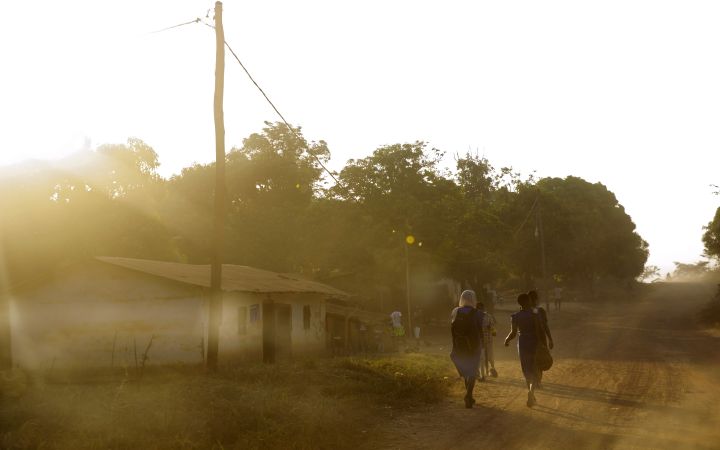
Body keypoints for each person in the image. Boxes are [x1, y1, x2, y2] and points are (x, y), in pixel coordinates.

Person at [450, 290, 485, 408]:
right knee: (473, 372)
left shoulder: (455, 311)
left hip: (459, 346)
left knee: (466, 371)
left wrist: (455, 345)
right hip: (474, 346)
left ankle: (469, 395)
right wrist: (483, 344)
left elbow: (452, 330)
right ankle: (469, 395)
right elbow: (480, 331)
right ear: (473, 299)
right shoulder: (478, 313)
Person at [504, 293, 540, 407]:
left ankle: (530, 393)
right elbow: (539, 330)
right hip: (534, 343)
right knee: (534, 369)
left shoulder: (515, 316)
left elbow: (513, 333)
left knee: (526, 370)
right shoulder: (534, 314)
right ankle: (531, 392)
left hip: (523, 343)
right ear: (527, 302)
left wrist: (507, 340)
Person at [528, 290, 554, 388]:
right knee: (538, 360)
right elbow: (545, 326)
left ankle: (537, 381)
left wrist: (550, 339)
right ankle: (536, 381)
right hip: (538, 339)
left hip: (534, 339)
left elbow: (545, 326)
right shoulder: (538, 311)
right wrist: (550, 339)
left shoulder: (538, 311)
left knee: (537, 361)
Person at [477, 302, 498, 378]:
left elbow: (492, 327)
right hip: (483, 339)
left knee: (488, 356)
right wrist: (493, 332)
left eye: (481, 308)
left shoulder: (487, 316)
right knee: (485, 356)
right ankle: (486, 371)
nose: (481, 310)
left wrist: (493, 331)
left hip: (486, 339)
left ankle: (491, 369)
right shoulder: (478, 316)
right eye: (479, 308)